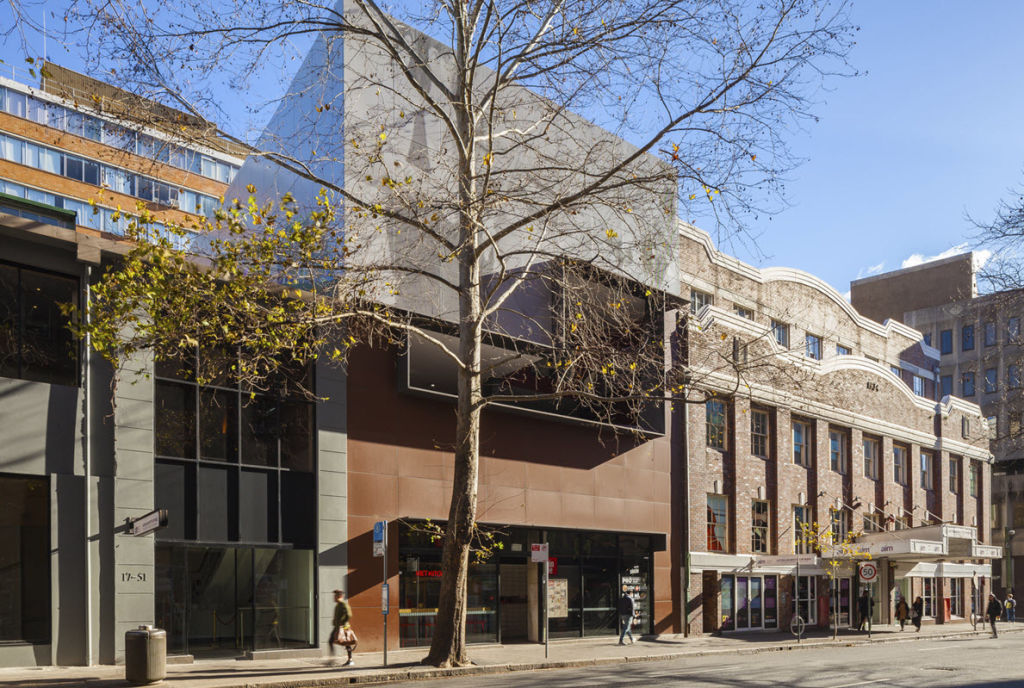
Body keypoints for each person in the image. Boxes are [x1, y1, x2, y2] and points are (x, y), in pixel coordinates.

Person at [329, 589, 357, 665]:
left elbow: (349, 614)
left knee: (347, 642)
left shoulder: (343, 604)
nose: (334, 597)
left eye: (335, 596)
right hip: (338, 627)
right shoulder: (338, 605)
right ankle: (333, 660)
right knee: (331, 641)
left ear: (340, 596)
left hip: (344, 627)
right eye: (334, 596)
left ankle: (350, 660)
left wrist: (342, 622)